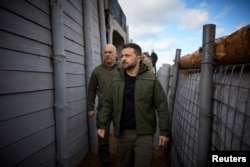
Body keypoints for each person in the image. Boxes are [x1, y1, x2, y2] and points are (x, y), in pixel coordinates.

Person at [97, 43, 170, 167]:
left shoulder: (151, 79)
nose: (123, 58)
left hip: (144, 135)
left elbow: (161, 105)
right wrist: (102, 124)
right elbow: (108, 104)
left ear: (138, 58)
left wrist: (164, 131)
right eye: (122, 56)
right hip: (123, 134)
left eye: (128, 56)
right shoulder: (116, 80)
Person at [87, 44, 119, 167]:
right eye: (105, 52)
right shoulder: (97, 71)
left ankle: (123, 160)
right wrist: (90, 107)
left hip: (120, 109)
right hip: (103, 109)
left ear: (116, 54)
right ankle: (105, 163)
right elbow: (91, 90)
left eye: (110, 52)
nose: (107, 54)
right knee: (102, 139)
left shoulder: (122, 69)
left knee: (121, 137)